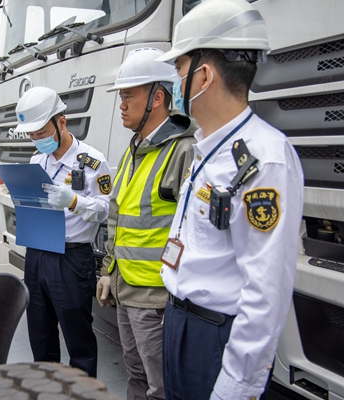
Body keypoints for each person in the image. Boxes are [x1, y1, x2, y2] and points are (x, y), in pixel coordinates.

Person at [154, 1, 304, 399]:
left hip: (216, 338)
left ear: (203, 76)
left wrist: (236, 388)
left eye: (179, 69)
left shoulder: (264, 158)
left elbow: (266, 291)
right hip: (181, 322)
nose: (175, 80)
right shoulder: (207, 147)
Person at [96, 47, 196, 400]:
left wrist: (178, 300)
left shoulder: (183, 151)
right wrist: (109, 271)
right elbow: (117, 216)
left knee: (162, 387)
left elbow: (194, 234)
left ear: (157, 97)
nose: (121, 104)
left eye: (128, 95)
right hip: (126, 290)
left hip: (157, 300)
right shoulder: (133, 149)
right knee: (136, 376)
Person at [14, 86, 111, 378]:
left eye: (41, 132)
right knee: (40, 336)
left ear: (61, 122)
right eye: (31, 135)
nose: (36, 139)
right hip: (37, 256)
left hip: (71, 259)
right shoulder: (36, 161)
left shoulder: (93, 161)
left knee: (78, 338)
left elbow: (106, 210)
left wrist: (74, 201)